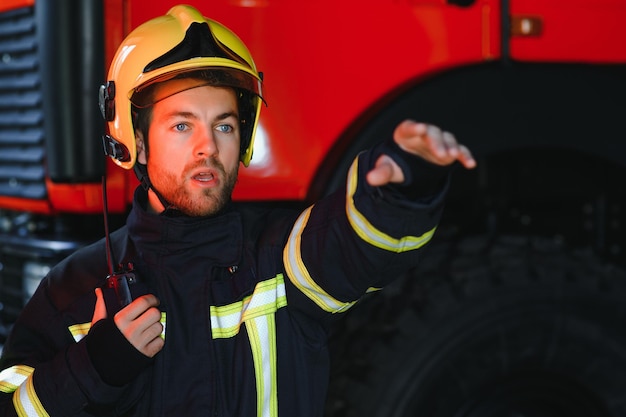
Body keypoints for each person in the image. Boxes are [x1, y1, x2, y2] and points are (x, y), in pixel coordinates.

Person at [0, 4, 475, 417]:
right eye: (182, 126)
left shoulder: (280, 260)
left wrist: (406, 184)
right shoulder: (71, 291)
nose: (208, 147)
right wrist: (95, 367)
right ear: (137, 143)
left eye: (224, 126)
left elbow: (360, 243)